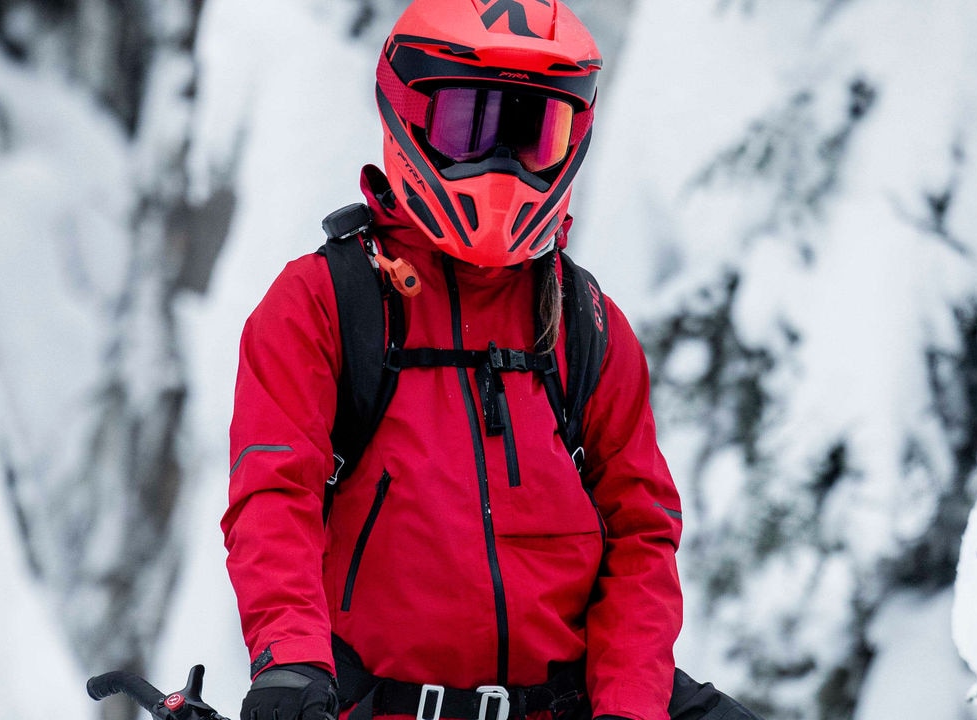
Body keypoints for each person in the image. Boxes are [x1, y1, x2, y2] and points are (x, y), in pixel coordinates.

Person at [222, 2, 763, 720]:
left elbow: (641, 529)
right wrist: (289, 660)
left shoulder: (585, 323)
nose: (501, 165)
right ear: (408, 115)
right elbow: (273, 492)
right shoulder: (323, 302)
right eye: (468, 126)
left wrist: (631, 702)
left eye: (533, 134)